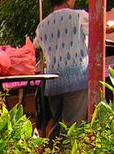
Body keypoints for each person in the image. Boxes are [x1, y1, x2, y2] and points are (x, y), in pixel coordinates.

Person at [34, 0, 89, 140]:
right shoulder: (79, 16)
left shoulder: (42, 25)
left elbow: (36, 44)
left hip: (53, 81)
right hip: (77, 78)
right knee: (73, 125)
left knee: (56, 126)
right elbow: (97, 30)